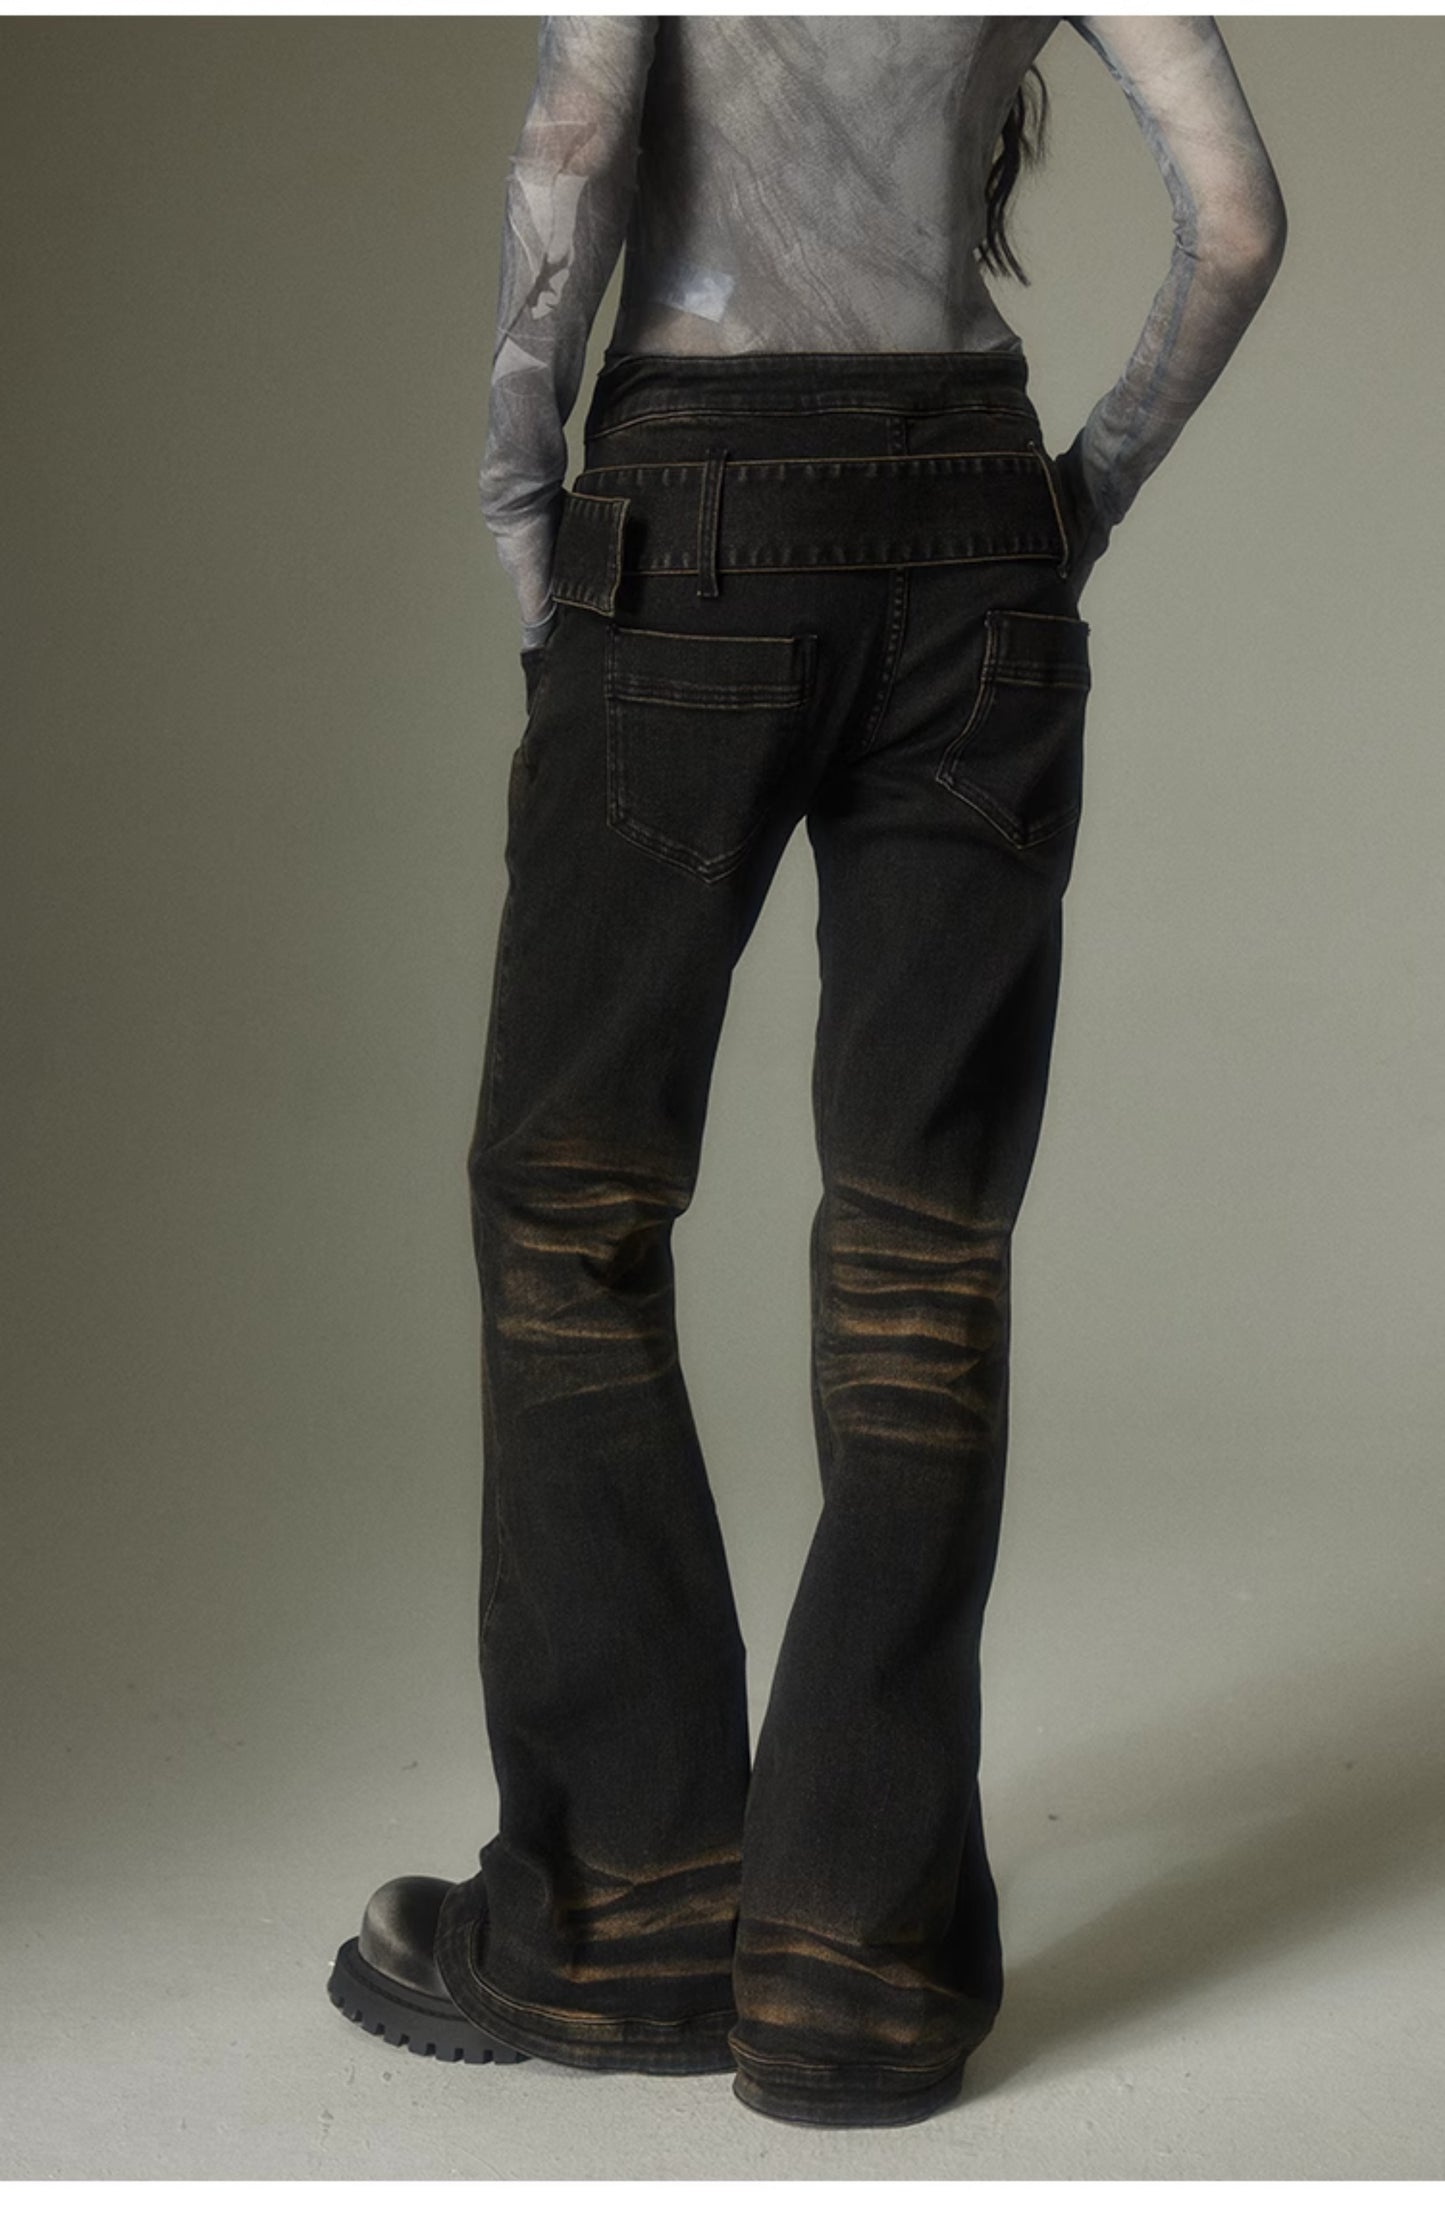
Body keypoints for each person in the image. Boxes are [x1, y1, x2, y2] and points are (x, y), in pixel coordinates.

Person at [327, 15, 1287, 2130]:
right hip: (974, 529)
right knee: (923, 1249)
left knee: (573, 1206)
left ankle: (628, 1912)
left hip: (694, 509)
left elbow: (574, 151)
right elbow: (1233, 222)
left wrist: (524, 511)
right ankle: (857, 1959)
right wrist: (1081, 493)